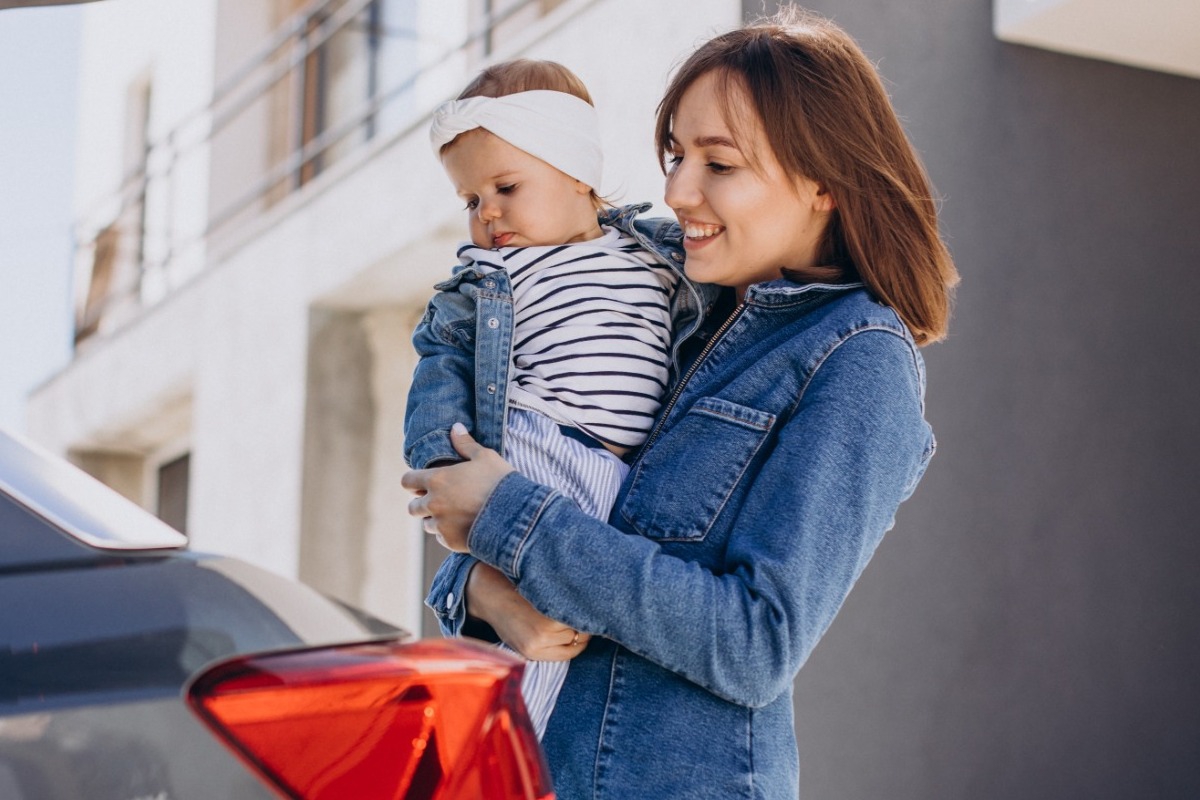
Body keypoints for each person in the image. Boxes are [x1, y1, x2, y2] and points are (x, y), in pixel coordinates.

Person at [403, 8, 959, 798]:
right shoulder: (677, 307)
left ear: (825, 183)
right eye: (674, 155)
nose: (676, 189)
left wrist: (511, 516)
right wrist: (477, 591)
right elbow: (541, 521)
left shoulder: (859, 359)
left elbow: (754, 645)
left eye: (719, 164)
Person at [403, 59, 679, 738]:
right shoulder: (486, 278)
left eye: (505, 186)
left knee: (588, 626)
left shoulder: (658, 254)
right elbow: (440, 371)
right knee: (544, 650)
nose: (487, 212)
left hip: (628, 475)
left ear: (577, 173)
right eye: (470, 201)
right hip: (539, 450)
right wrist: (444, 468)